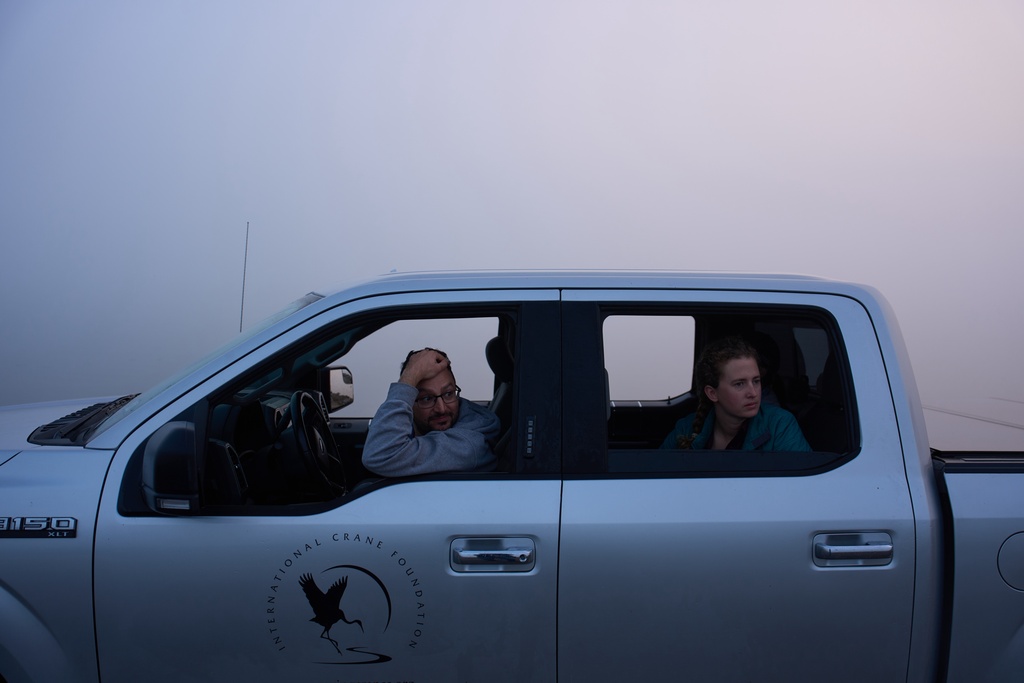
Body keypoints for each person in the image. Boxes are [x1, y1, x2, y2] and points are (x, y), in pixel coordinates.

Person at [362, 347, 500, 476]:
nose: (441, 408)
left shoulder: (468, 446)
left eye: (448, 394)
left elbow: (381, 455)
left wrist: (410, 377)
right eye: (427, 398)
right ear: (410, 401)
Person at [660, 336, 811, 451]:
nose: (753, 393)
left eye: (756, 381)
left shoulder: (779, 424)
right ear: (712, 393)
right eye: (739, 384)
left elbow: (803, 487)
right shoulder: (686, 429)